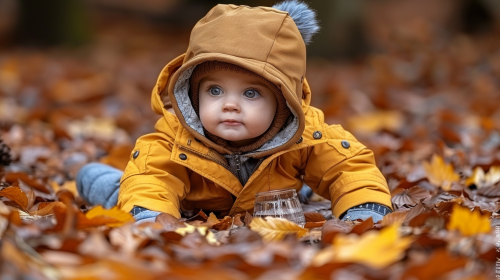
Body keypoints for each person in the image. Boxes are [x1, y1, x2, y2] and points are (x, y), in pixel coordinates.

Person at [76, 1, 393, 224]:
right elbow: (153, 178)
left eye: (251, 93)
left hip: (269, 194)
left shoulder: (308, 136)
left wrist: (365, 211)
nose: (229, 104)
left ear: (284, 102)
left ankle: (302, 186)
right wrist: (151, 218)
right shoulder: (175, 138)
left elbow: (349, 168)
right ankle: (107, 184)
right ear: (193, 93)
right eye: (214, 91)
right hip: (191, 203)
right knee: (130, 190)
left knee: (309, 172)